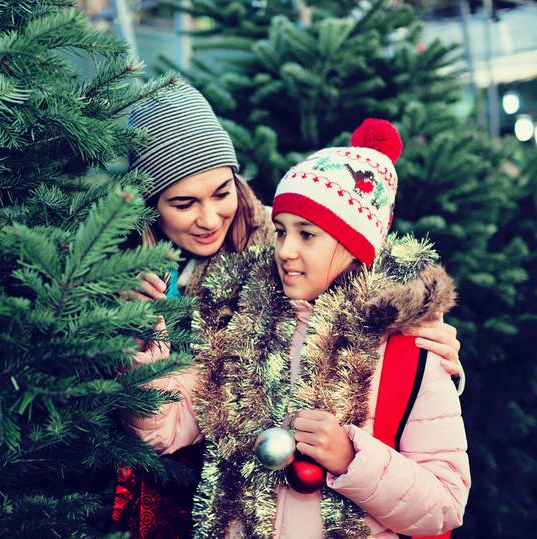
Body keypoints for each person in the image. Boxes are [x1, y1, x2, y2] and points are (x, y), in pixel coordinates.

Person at [112, 82, 463, 538]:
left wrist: (438, 359)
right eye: (183, 203)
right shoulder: (120, 272)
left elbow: (434, 467)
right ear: (150, 206)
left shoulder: (273, 258)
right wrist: (132, 342)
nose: (209, 218)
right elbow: (167, 419)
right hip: (183, 500)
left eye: (221, 193)